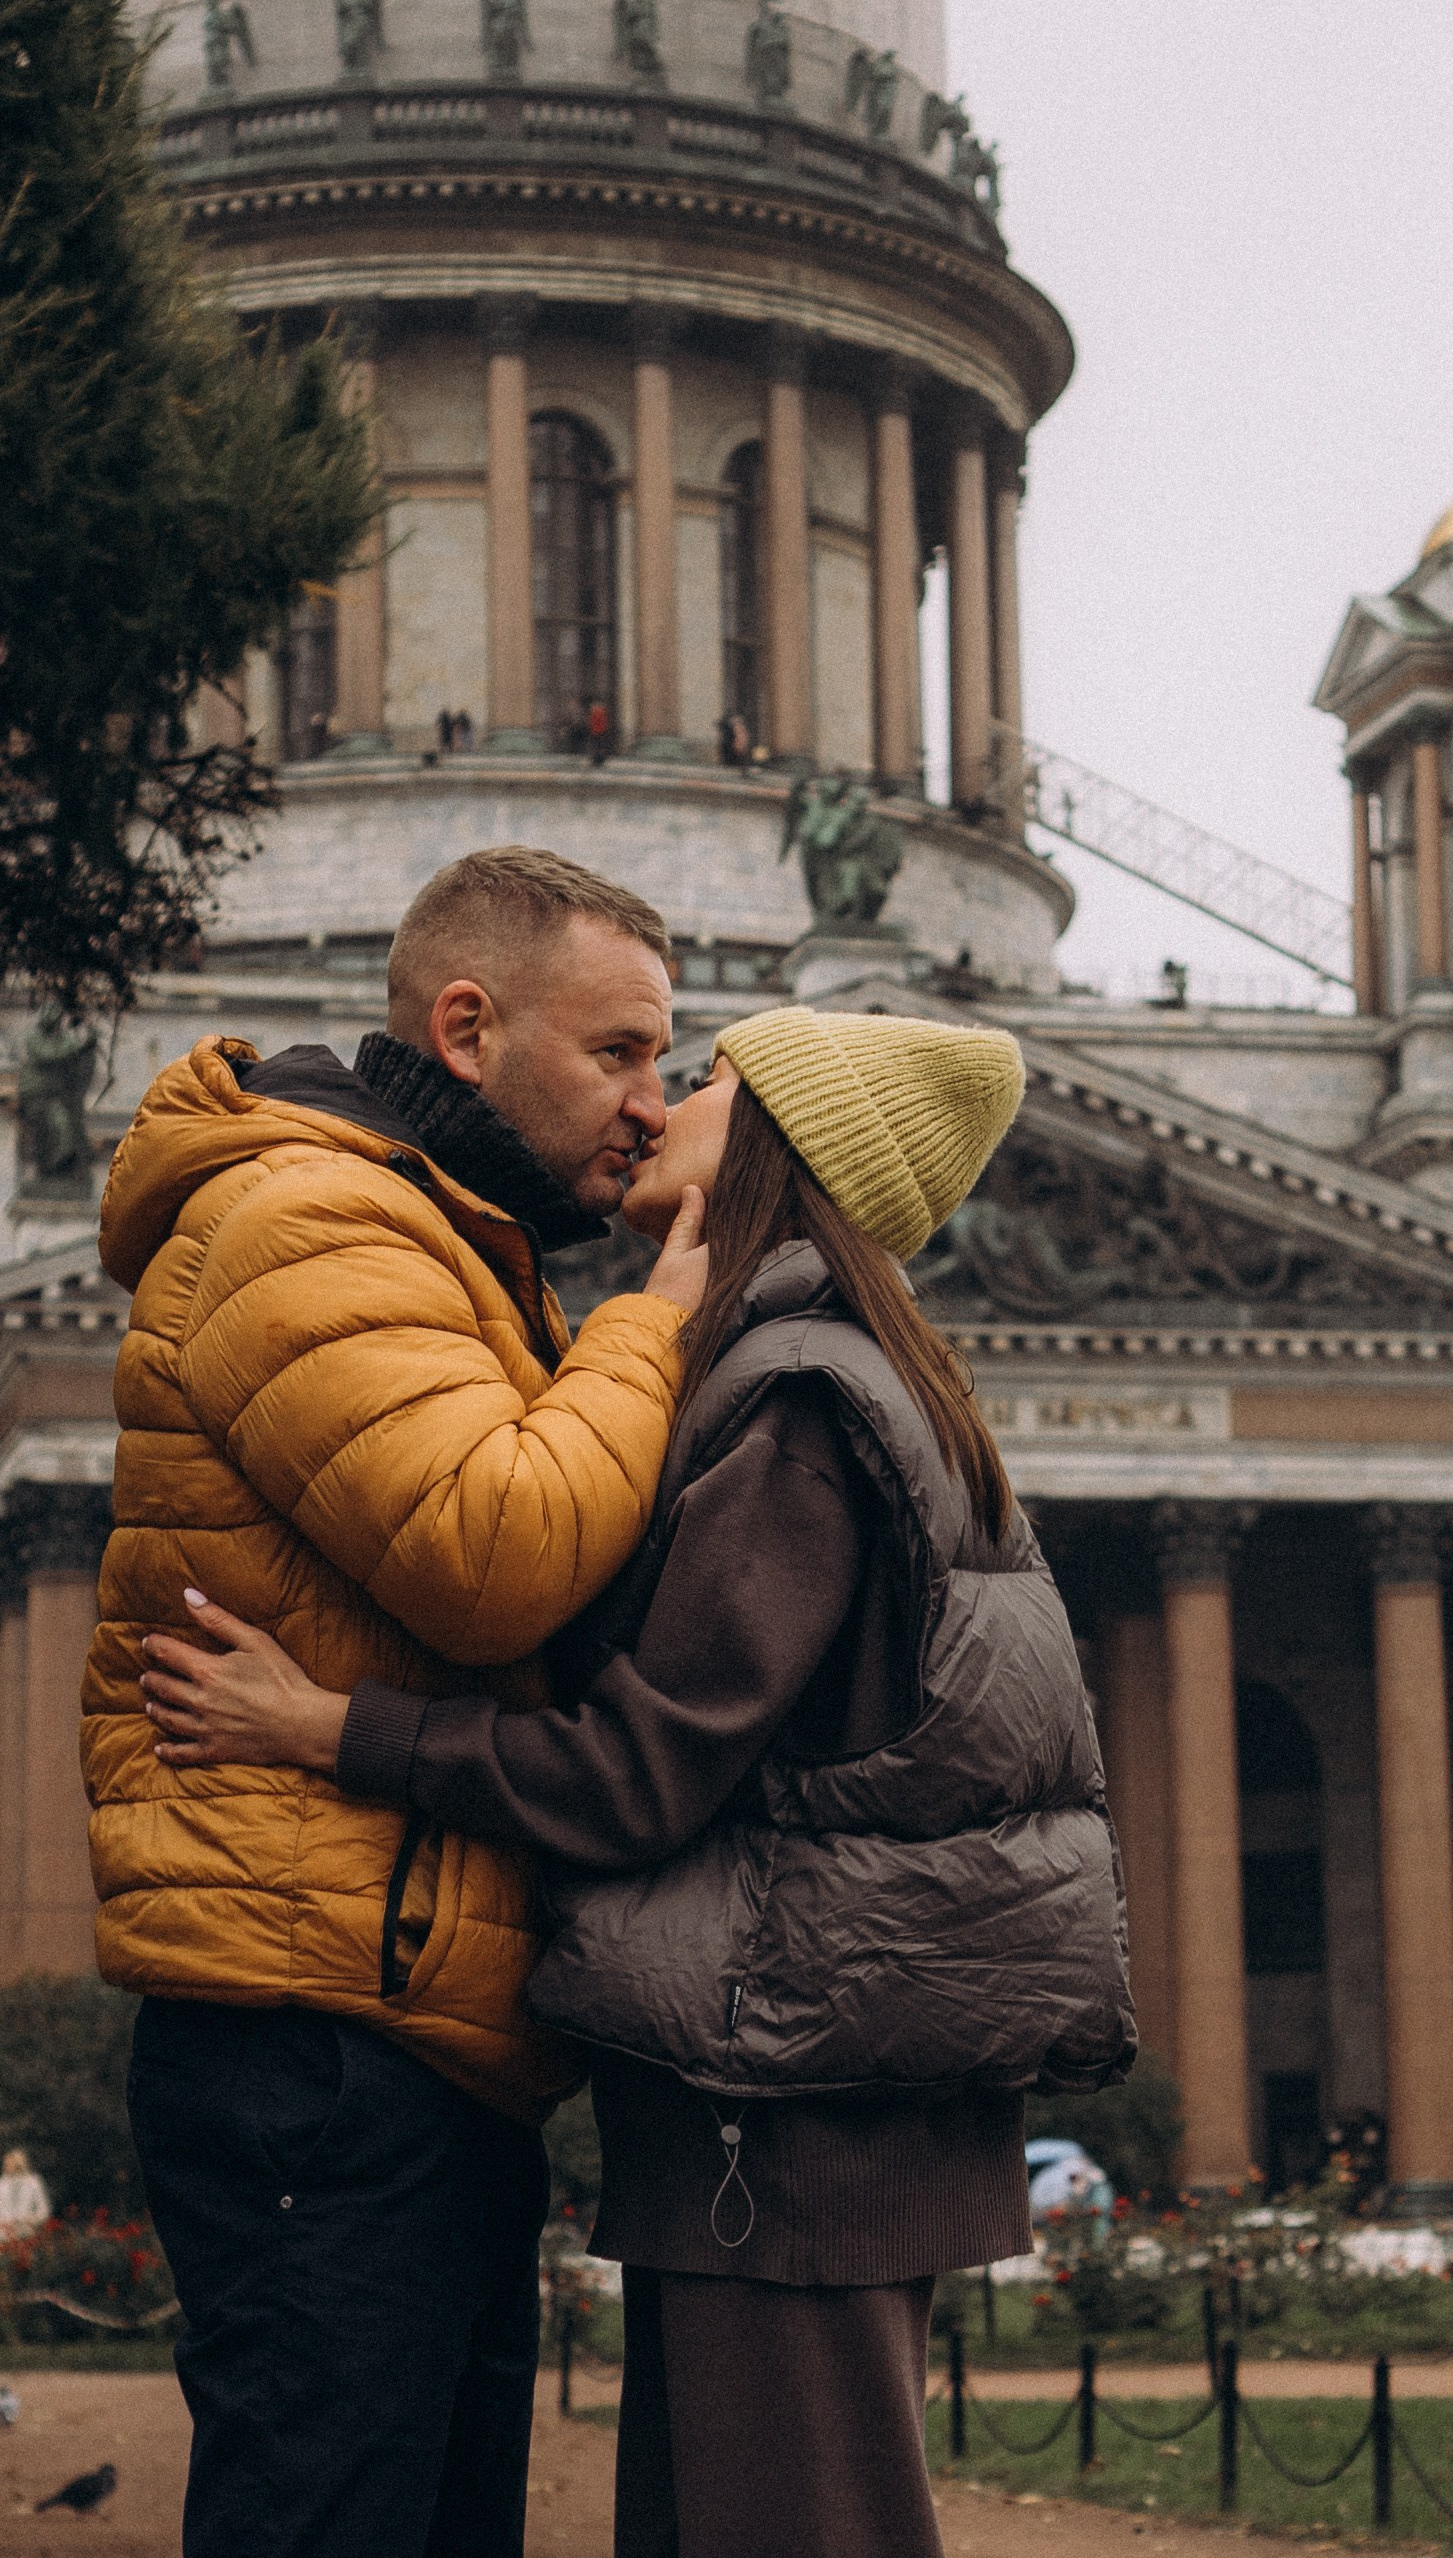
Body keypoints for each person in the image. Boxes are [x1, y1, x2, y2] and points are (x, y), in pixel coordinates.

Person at [142, 1007, 1137, 2558]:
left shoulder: (793, 1403)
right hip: (786, 2102)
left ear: (785, 1144)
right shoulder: (823, 1372)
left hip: (782, 2120)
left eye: (713, 1079)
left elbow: (636, 1771)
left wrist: (333, 1728)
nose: (663, 1103)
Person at [86, 847, 710, 2558]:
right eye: (619, 1053)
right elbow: (495, 1552)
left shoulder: (445, 1237)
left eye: (665, 1063)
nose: (653, 1109)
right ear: (467, 1027)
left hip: (402, 2010)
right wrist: (657, 1322)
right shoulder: (313, 1216)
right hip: (323, 2030)